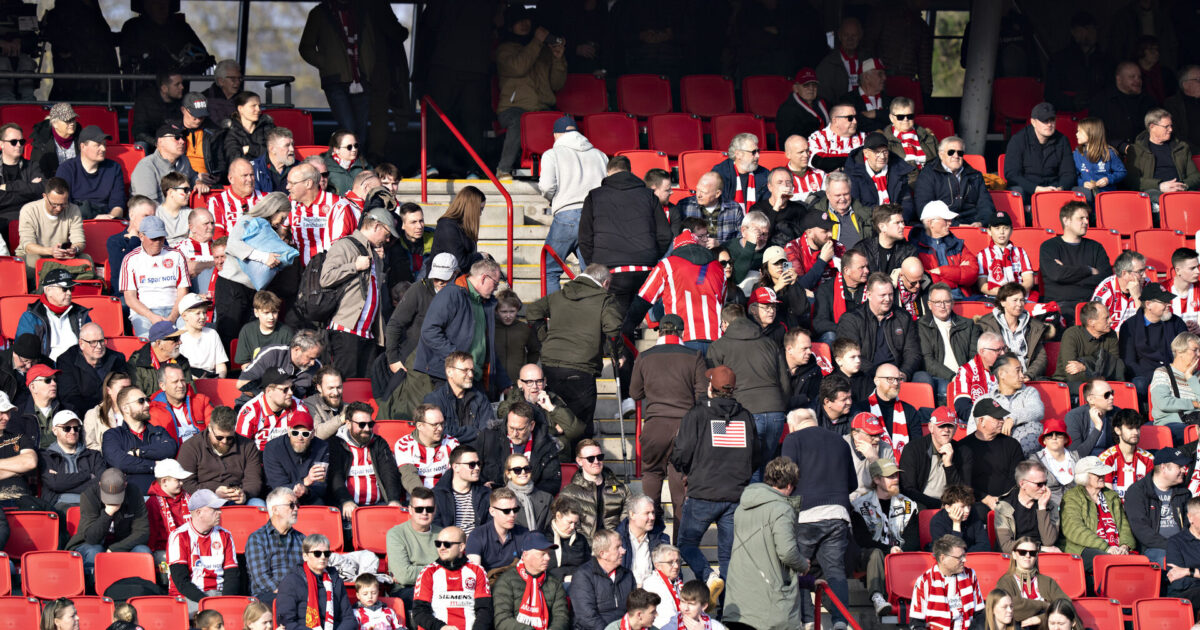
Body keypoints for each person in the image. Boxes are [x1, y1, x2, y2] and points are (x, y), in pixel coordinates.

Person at [671, 365, 758, 592]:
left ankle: (709, 577)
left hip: (703, 493)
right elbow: (757, 454)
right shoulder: (745, 416)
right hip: (735, 495)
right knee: (728, 556)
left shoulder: (697, 414)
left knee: (686, 544)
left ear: (711, 387)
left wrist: (685, 469)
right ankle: (726, 609)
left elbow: (681, 452)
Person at [780, 404, 856, 628]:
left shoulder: (793, 440)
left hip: (805, 515)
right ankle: (841, 621)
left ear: (792, 425)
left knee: (799, 567)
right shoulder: (840, 441)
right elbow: (852, 483)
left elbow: (787, 478)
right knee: (835, 570)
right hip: (838, 514)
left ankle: (807, 621)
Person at [524, 265, 621, 432]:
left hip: (550, 367)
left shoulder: (559, 295)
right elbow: (613, 329)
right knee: (579, 426)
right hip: (581, 370)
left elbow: (532, 311)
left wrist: (544, 339)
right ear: (605, 283)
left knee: (553, 421)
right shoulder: (605, 300)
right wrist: (616, 354)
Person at [629, 314, 705, 521]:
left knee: (652, 474)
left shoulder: (644, 357)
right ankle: (680, 543)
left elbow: (635, 393)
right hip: (685, 428)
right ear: (682, 332)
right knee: (681, 486)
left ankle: (651, 534)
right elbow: (702, 395)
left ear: (659, 332)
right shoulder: (695, 355)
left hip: (655, 427)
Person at [319, 208, 397, 378]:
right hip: (345, 331)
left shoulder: (375, 254)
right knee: (346, 385)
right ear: (376, 226)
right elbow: (325, 278)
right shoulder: (345, 245)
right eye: (387, 233)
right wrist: (354, 266)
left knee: (364, 387)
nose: (388, 239)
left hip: (368, 333)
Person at [493, 8, 567, 178]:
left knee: (566, 124)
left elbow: (557, 84)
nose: (525, 24)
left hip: (541, 108)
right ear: (511, 26)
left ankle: (564, 173)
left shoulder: (541, 50)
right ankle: (503, 169)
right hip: (513, 108)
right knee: (520, 121)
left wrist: (558, 59)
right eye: (519, 21)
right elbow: (519, 67)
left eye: (527, 20)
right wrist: (536, 41)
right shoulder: (505, 50)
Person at [852, 457, 919, 618]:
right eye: (890, 476)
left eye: (896, 475)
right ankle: (877, 597)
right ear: (876, 479)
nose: (895, 480)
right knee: (875, 553)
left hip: (901, 557)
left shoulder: (908, 505)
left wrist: (899, 552)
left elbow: (913, 539)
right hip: (870, 557)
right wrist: (889, 550)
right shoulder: (860, 505)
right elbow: (862, 540)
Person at [837, 271, 922, 379]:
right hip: (865, 376)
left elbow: (912, 352)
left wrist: (904, 373)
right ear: (869, 295)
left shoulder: (903, 317)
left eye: (890, 294)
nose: (888, 299)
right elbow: (850, 356)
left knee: (923, 378)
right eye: (882, 295)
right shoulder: (851, 319)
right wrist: (880, 374)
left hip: (898, 374)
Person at [167, 488, 240, 613]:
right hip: (189, 596)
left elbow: (232, 575)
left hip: (219, 593)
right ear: (199, 512)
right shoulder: (179, 536)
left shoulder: (225, 535)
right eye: (214, 509)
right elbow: (181, 582)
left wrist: (225, 601)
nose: (220, 512)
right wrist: (207, 604)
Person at [329, 402, 403, 520]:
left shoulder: (378, 443)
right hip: (349, 508)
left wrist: (393, 499)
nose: (367, 429)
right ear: (348, 424)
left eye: (370, 424)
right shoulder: (337, 444)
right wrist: (345, 500)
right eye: (362, 425)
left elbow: (389, 472)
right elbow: (335, 476)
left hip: (379, 505)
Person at [1039, 201, 1112, 323]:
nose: (1087, 222)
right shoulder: (1049, 247)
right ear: (1066, 221)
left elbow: (1105, 278)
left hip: (1092, 304)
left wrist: (1067, 273)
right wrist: (1088, 270)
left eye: (1087, 218)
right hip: (1060, 305)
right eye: (1081, 218)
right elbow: (1056, 275)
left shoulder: (1096, 247)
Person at [67, 467, 151, 571]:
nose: (113, 501)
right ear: (100, 485)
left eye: (116, 496)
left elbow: (142, 532)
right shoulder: (89, 495)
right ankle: (93, 586)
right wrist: (108, 513)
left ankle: (140, 586)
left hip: (123, 543)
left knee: (143, 551)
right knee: (95, 551)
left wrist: (114, 549)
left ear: (125, 485)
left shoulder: (134, 493)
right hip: (90, 544)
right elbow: (91, 538)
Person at [118, 215, 189, 337]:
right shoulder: (130, 259)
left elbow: (183, 291)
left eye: (161, 238)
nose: (158, 242)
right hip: (144, 312)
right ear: (141, 236)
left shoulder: (176, 255)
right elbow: (130, 298)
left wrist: (172, 317)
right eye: (153, 238)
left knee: (188, 338)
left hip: (176, 310)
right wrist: (151, 316)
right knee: (149, 343)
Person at [178, 406, 264, 507]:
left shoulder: (247, 446)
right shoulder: (191, 447)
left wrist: (245, 494)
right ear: (210, 428)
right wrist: (212, 493)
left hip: (239, 498)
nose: (224, 441)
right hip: (205, 500)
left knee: (259, 505)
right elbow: (186, 482)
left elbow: (254, 480)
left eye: (230, 438)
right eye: (219, 437)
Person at [1061, 456, 1136, 569]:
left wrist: (1125, 546)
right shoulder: (1072, 496)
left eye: (1102, 473)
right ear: (1084, 476)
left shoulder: (1112, 496)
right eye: (1097, 474)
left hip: (1116, 549)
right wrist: (1106, 548)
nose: (1102, 476)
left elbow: (1124, 526)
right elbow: (1074, 529)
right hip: (1083, 547)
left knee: (1139, 563)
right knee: (1109, 563)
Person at [412, 526, 492, 630]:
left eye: (447, 544)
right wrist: (442, 627)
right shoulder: (428, 572)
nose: (442, 547)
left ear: (461, 547)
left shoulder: (477, 571)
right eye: (438, 544)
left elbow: (485, 610)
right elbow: (419, 612)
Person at [496, 363, 582, 460]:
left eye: (539, 381)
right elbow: (522, 434)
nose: (535, 386)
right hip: (522, 460)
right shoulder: (509, 405)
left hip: (554, 459)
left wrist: (551, 409)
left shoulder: (553, 400)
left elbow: (577, 431)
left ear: (545, 382)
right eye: (529, 382)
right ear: (520, 384)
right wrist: (554, 430)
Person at [102, 385, 178, 495]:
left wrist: (137, 452)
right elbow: (120, 462)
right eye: (141, 401)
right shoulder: (113, 435)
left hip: (164, 495)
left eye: (147, 400)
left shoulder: (158, 431)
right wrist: (155, 465)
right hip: (133, 497)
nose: (147, 405)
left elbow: (169, 449)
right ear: (125, 408)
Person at [1124, 446, 1191, 566]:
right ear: (1163, 467)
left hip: (1183, 545)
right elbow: (1142, 531)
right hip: (1152, 548)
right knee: (1173, 561)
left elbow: (1189, 524)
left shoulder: (1184, 493)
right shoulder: (1137, 492)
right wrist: (1173, 546)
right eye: (1179, 467)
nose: (1184, 470)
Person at [913, 283, 980, 401]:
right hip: (939, 377)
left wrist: (965, 376)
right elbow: (927, 361)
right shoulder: (920, 327)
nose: (942, 306)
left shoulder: (968, 325)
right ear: (929, 305)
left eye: (947, 301)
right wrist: (953, 377)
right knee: (946, 389)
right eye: (937, 302)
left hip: (967, 376)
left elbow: (975, 356)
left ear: (953, 303)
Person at [276, 533, 357, 630]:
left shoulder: (336, 581)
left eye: (326, 553)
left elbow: (349, 618)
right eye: (317, 553)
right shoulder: (291, 581)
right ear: (305, 556)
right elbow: (286, 622)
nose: (323, 557)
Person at [477, 402, 561, 495]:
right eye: (511, 428)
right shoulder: (489, 437)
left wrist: (525, 493)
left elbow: (552, 483)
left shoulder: (546, 446)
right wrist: (483, 485)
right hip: (493, 497)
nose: (514, 433)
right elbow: (472, 467)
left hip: (530, 499)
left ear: (531, 426)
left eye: (520, 429)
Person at [900, 407, 974, 510]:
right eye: (941, 425)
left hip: (953, 506)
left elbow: (964, 491)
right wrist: (938, 505)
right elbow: (908, 489)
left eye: (950, 426)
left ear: (956, 429)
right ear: (931, 427)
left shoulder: (964, 452)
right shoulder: (913, 449)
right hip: (921, 503)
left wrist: (949, 465)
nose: (946, 430)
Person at [1123, 284, 1188, 401]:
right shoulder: (1129, 326)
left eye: (1169, 301)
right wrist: (1158, 377)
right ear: (1148, 305)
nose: (1169, 304)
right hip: (1146, 375)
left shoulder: (1176, 322)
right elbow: (1129, 362)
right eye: (1164, 302)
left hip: (1175, 372)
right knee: (1139, 385)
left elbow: (1186, 353)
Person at [558, 440, 629, 543]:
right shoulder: (569, 493)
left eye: (599, 457)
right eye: (590, 459)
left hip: (616, 546)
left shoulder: (621, 489)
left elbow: (628, 520)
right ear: (579, 461)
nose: (596, 461)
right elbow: (571, 528)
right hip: (586, 550)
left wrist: (616, 542)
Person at [244, 487, 304, 607]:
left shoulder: (302, 538)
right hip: (267, 597)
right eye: (291, 505)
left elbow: (307, 571)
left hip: (299, 595)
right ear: (275, 510)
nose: (296, 509)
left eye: (297, 504)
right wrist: (287, 593)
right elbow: (261, 578)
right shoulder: (257, 538)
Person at [14, 269, 90, 363]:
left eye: (71, 289)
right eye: (64, 289)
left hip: (78, 366)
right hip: (47, 368)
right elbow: (24, 353)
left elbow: (92, 344)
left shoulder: (81, 313)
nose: (69, 293)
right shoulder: (31, 317)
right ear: (48, 290)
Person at [908, 535, 984, 629]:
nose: (964, 560)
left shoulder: (970, 575)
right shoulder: (924, 581)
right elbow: (916, 623)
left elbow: (980, 615)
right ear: (943, 558)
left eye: (964, 555)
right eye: (959, 557)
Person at [1003, 102, 1075, 201]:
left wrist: (1060, 188)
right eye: (1045, 121)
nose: (1049, 124)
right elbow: (1012, 174)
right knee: (1017, 192)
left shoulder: (1062, 140)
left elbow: (1068, 173)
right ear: (1033, 122)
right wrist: (1036, 189)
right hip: (1028, 190)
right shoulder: (1018, 140)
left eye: (1052, 120)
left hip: (1054, 189)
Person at [17, 178, 85, 280]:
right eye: (54, 204)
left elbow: (80, 241)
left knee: (86, 259)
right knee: (33, 261)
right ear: (45, 196)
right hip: (35, 255)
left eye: (63, 204)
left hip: (61, 256)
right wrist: (51, 251)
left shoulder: (73, 210)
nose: (58, 208)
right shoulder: (29, 210)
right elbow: (28, 246)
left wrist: (74, 249)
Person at [993, 537, 1071, 627]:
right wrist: (1044, 605)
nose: (1028, 555)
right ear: (1014, 555)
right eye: (1022, 552)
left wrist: (1040, 619)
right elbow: (1013, 609)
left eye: (1032, 553)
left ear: (1036, 556)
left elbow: (1066, 606)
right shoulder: (1005, 581)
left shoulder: (1047, 581)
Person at [1127, 108, 1200, 202]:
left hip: (1181, 190)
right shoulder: (1136, 150)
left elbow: (1196, 176)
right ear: (1152, 127)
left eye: (1171, 126)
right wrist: (1159, 185)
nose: (1171, 130)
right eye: (1166, 126)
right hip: (1154, 193)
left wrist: (1181, 185)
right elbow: (1131, 180)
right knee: (1159, 199)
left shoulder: (1181, 148)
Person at [910, 201, 979, 300]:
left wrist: (940, 271)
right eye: (945, 220)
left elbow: (972, 273)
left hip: (962, 298)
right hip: (934, 300)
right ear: (930, 223)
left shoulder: (957, 243)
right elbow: (924, 280)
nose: (950, 223)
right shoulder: (914, 248)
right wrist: (956, 276)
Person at [421, 353, 495, 446]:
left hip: (475, 454)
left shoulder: (480, 398)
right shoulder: (434, 400)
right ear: (449, 372)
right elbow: (439, 433)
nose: (471, 375)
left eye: (472, 370)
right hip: (444, 456)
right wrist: (475, 432)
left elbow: (488, 432)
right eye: (465, 370)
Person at [54, 125, 125, 219]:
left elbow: (118, 205)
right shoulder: (66, 169)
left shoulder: (114, 168)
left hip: (106, 219)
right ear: (83, 146)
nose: (103, 149)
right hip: (75, 220)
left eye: (104, 144)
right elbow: (62, 206)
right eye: (98, 145)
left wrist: (110, 217)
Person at [39, 409, 104, 509]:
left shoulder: (94, 456)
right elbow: (55, 484)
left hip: (91, 504)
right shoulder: (46, 457)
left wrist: (63, 485)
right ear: (55, 430)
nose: (72, 432)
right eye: (67, 428)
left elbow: (101, 484)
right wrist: (87, 475)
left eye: (76, 428)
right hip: (59, 507)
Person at [386, 485, 439, 607]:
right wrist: (439, 569)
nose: (425, 513)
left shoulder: (443, 534)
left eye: (429, 509)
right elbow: (404, 576)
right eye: (419, 509)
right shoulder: (396, 534)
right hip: (407, 590)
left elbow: (452, 570)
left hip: (439, 587)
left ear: (435, 510)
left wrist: (415, 570)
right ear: (410, 510)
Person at [992, 460, 1061, 553]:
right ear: (1022, 484)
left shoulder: (1050, 505)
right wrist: (1040, 548)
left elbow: (1049, 541)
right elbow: (1006, 546)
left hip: (1041, 558)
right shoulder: (1004, 506)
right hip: (1014, 559)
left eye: (1045, 483)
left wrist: (1042, 508)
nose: (1044, 488)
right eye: (1039, 484)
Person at [572, 529, 634, 630]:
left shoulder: (627, 575)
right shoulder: (583, 575)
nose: (623, 551)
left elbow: (634, 609)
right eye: (617, 547)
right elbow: (587, 616)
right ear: (603, 554)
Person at [845, 132, 915, 222]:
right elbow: (857, 208)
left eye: (885, 151)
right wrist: (883, 221)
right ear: (866, 153)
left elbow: (907, 202)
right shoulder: (853, 175)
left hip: (896, 223)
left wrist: (900, 221)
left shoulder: (898, 170)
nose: (882, 156)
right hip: (868, 224)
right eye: (877, 152)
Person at [263, 410, 328, 505]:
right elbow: (278, 487)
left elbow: (321, 486)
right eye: (295, 433)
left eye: (305, 434)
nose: (300, 437)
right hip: (280, 498)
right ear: (289, 431)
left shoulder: (322, 448)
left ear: (313, 434)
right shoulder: (273, 448)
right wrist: (306, 481)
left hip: (310, 496)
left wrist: (305, 490)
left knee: (320, 504)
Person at [237, 330, 324, 400]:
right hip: (255, 405)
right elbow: (242, 384)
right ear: (297, 349)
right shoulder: (272, 354)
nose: (313, 363)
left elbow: (316, 399)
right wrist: (274, 399)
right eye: (310, 358)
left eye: (316, 358)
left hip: (290, 413)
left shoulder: (316, 367)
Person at [236, 368, 308, 450]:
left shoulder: (299, 406)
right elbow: (242, 449)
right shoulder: (250, 411)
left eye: (292, 387)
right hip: (259, 459)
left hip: (290, 458)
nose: (291, 393)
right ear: (269, 391)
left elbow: (306, 441)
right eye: (285, 389)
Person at [131, 127, 205, 206]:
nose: (182, 141)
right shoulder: (146, 166)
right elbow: (147, 205)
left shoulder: (184, 160)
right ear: (161, 141)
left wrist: (198, 182)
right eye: (176, 138)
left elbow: (193, 177)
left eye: (183, 138)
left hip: (180, 213)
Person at [1055, 302, 1123, 383]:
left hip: (1102, 385)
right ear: (1091, 322)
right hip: (1067, 383)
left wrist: (1085, 366)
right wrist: (1099, 377)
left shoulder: (1111, 335)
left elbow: (1115, 367)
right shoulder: (1071, 335)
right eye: (1106, 318)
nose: (1111, 321)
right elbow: (1072, 376)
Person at [464, 487, 529, 571]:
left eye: (515, 509)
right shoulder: (477, 535)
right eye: (506, 511)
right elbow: (474, 572)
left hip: (516, 581)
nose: (512, 514)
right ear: (492, 511)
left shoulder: (524, 533)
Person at [1151, 333, 1200, 444]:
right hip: (1172, 424)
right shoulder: (1162, 373)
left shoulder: (1197, 376)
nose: (1199, 354)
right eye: (1195, 350)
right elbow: (1163, 403)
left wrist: (1190, 377)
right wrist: (1195, 404)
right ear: (1180, 352)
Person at [432, 445, 490, 535]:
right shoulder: (437, 495)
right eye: (472, 465)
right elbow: (435, 528)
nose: (477, 468)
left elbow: (490, 527)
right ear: (456, 467)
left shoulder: (486, 494)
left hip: (478, 546)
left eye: (478, 464)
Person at [975, 213, 1035, 298]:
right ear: (989, 231)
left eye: (1006, 228)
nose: (1001, 232)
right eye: (997, 228)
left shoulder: (1020, 252)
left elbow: (1028, 280)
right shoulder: (983, 255)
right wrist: (1005, 293)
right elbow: (982, 285)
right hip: (995, 298)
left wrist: (1016, 293)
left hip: (1019, 297)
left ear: (1011, 230)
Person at [1093, 250, 1152, 333]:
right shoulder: (1105, 292)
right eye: (1139, 272)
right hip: (1112, 341)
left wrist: (1137, 297)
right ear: (1124, 274)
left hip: (1140, 338)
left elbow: (1149, 323)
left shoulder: (1147, 283)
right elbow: (1096, 328)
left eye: (1144, 270)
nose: (1145, 275)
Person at [144, 458, 192, 562]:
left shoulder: (187, 497)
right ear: (164, 481)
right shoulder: (153, 503)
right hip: (163, 550)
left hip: (189, 546)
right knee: (174, 559)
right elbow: (151, 533)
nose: (181, 483)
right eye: (177, 480)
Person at [1072, 117, 1127, 203]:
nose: (1076, 134)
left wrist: (1108, 179)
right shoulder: (1077, 154)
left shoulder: (1109, 152)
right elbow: (1073, 176)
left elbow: (1122, 172)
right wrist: (1082, 183)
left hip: (1106, 197)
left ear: (1091, 133)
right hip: (1086, 198)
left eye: (1080, 131)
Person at [0, 123, 45, 221]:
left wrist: (8, 187)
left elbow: (42, 188)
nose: (19, 145)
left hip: (29, 217)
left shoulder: (32, 166)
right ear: (1, 144)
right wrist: (29, 187)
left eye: (22, 141)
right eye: (13, 142)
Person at [884, 98, 938, 177]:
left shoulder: (928, 136)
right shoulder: (884, 141)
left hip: (931, 180)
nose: (906, 119)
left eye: (910, 116)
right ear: (891, 118)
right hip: (904, 184)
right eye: (900, 117)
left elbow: (940, 161)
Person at [815, 17, 865, 103]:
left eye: (854, 35)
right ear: (839, 36)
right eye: (846, 35)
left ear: (860, 36)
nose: (850, 39)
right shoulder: (827, 65)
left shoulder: (868, 62)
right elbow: (822, 98)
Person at [929, 484, 990, 552]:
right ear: (948, 508)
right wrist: (956, 524)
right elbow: (949, 553)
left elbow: (985, 545)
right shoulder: (937, 522)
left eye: (969, 506)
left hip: (972, 558)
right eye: (962, 507)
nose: (967, 511)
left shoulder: (973, 513)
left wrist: (964, 553)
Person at [775, 69, 830, 143]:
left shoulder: (825, 103)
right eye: (806, 85)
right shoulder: (787, 110)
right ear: (795, 88)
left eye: (814, 85)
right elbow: (791, 140)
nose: (811, 89)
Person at [84, 372, 131, 452]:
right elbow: (90, 445)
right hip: (106, 462)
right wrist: (115, 454)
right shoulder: (93, 414)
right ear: (108, 390)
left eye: (129, 388)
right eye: (122, 388)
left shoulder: (137, 411)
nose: (127, 392)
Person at [782, 134, 828, 204]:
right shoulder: (780, 178)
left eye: (807, 151)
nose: (806, 155)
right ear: (788, 155)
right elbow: (784, 200)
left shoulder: (821, 174)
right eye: (801, 152)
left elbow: (827, 197)